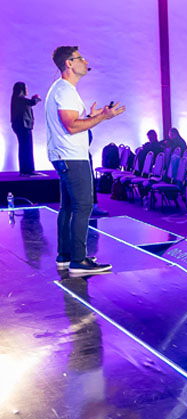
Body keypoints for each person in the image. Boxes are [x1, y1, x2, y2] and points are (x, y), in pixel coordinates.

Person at [45, 46, 126, 275]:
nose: (85, 61)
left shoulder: (62, 89)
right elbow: (71, 126)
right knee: (83, 205)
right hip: (72, 156)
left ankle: (66, 255)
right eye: (80, 58)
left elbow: (70, 123)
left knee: (69, 206)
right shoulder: (65, 90)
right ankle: (79, 261)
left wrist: (91, 117)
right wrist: (102, 117)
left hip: (65, 155)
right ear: (69, 63)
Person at [11, 82, 42, 175]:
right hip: (23, 127)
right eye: (25, 88)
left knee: (25, 148)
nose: (27, 90)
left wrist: (34, 99)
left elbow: (29, 102)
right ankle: (27, 170)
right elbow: (32, 102)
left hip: (21, 126)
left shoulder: (17, 99)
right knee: (26, 148)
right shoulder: (19, 99)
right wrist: (36, 98)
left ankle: (26, 170)